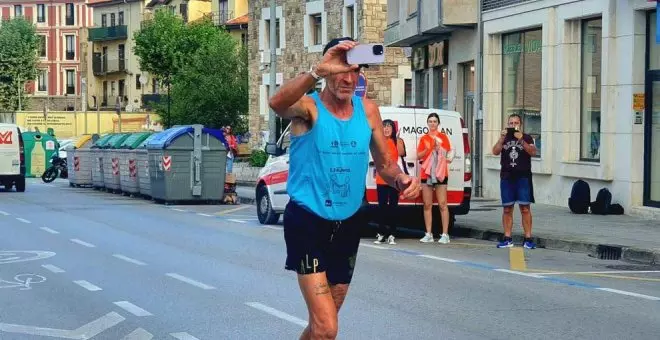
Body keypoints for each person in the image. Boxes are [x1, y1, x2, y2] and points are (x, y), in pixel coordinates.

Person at [268, 37, 421, 340]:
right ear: (328, 70)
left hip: (349, 223)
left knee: (321, 326)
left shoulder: (368, 111)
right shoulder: (308, 107)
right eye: (341, 70)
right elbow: (277, 103)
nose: (349, 78)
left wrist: (401, 179)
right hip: (308, 222)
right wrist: (316, 71)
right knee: (327, 328)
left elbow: (386, 165)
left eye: (356, 70)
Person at [491, 113, 537, 249]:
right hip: (506, 177)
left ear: (520, 124)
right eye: (511, 123)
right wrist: (501, 139)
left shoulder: (527, 137)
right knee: (507, 208)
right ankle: (507, 238)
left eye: (516, 123)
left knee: (525, 208)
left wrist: (521, 139)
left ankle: (528, 239)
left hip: (523, 177)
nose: (513, 125)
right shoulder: (505, 138)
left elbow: (533, 152)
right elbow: (495, 151)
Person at [416, 113, 454, 244]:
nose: (432, 124)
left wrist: (439, 148)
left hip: (440, 173)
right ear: (427, 123)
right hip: (426, 174)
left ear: (438, 123)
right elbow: (418, 155)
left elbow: (448, 153)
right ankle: (428, 233)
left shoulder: (443, 137)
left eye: (435, 121)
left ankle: (445, 234)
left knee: (443, 204)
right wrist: (428, 149)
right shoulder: (424, 138)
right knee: (427, 204)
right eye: (430, 121)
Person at [374, 119, 406, 245]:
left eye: (389, 126)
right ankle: (381, 233)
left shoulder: (396, 141)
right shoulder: (379, 141)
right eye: (384, 126)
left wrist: (398, 140)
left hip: (394, 179)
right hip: (381, 179)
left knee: (393, 207)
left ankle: (392, 234)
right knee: (382, 207)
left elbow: (402, 153)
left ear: (393, 129)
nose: (386, 129)